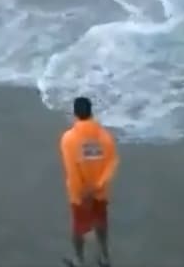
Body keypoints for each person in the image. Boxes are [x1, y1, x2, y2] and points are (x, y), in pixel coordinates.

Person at [60, 96, 118, 267]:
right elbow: (112, 162)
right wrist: (98, 186)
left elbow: (72, 169)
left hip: (80, 194)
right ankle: (104, 256)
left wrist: (83, 193)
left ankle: (79, 260)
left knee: (79, 228)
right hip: (100, 192)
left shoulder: (69, 139)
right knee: (101, 222)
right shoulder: (105, 137)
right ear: (91, 112)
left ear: (75, 114)